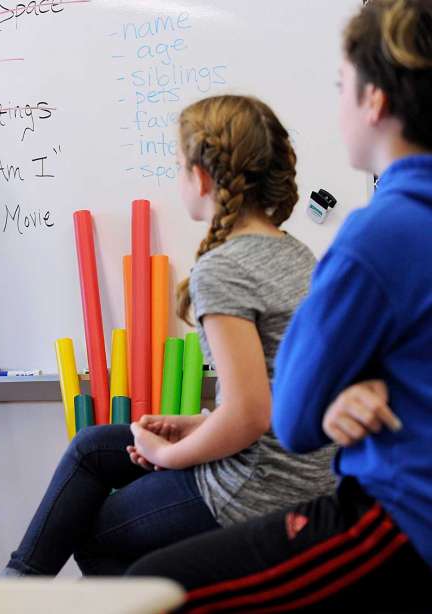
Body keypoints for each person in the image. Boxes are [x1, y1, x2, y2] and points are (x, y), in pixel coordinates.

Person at [127, 1, 432, 610]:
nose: (337, 104)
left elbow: (289, 418)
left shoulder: (379, 233)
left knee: (146, 594)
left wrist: (346, 384)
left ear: (373, 102)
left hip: (399, 516)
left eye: (341, 86)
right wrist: (361, 381)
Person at [2, 95, 336, 577]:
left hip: (258, 484)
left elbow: (249, 414)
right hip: (304, 472)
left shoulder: (224, 268)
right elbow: (269, 398)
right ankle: (12, 593)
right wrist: (193, 424)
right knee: (92, 447)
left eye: (179, 165)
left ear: (201, 177)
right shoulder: (298, 255)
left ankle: (11, 595)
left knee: (93, 534)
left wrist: (170, 454)